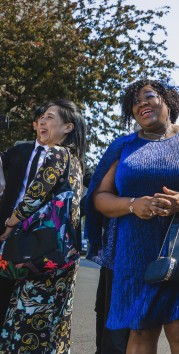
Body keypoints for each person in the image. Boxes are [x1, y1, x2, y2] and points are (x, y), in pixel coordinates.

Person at [84, 79, 179, 354]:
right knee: (140, 330)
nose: (141, 104)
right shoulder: (123, 146)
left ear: (168, 100)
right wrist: (132, 204)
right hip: (134, 250)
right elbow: (99, 198)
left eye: (148, 97)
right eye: (135, 103)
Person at [0, 99, 88, 353]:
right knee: (54, 318)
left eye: (50, 117)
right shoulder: (76, 161)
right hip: (63, 251)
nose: (43, 121)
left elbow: (35, 194)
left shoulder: (57, 153)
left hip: (41, 249)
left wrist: (10, 224)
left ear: (68, 127)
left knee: (29, 315)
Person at [0, 105, 48, 327]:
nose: (44, 123)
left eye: (50, 118)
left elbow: (88, 182)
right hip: (7, 227)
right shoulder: (20, 149)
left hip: (40, 233)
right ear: (34, 125)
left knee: (30, 292)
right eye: (41, 119)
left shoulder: (66, 156)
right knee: (3, 285)